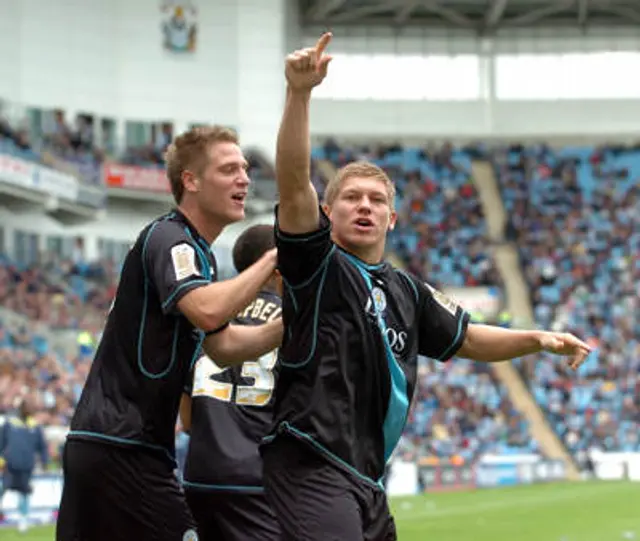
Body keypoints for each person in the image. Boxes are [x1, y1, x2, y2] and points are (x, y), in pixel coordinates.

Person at [260, 33, 592, 541]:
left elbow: (468, 337)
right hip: (311, 460)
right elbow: (291, 179)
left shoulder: (408, 291)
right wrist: (300, 94)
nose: (364, 206)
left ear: (392, 219)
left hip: (366, 478)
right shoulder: (317, 264)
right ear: (328, 213)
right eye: (351, 198)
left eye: (376, 200)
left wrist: (537, 339)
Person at [56, 126, 283, 541]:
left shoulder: (199, 255)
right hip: (123, 447)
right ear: (190, 181)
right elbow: (206, 309)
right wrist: (274, 256)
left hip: (114, 444)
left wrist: (292, 323)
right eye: (229, 169)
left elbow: (226, 348)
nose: (245, 179)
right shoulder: (171, 237)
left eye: (245, 169)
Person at [180, 224, 282, 541]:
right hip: (258, 479)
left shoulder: (205, 317)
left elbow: (186, 420)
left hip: (200, 475)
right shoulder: (294, 321)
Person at [0, 398, 49, 533]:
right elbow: (1, 441)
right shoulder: (9, 424)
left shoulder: (35, 427)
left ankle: (23, 520)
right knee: (2, 489)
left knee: (24, 493)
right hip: (9, 465)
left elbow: (42, 447)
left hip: (26, 465)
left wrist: (45, 462)